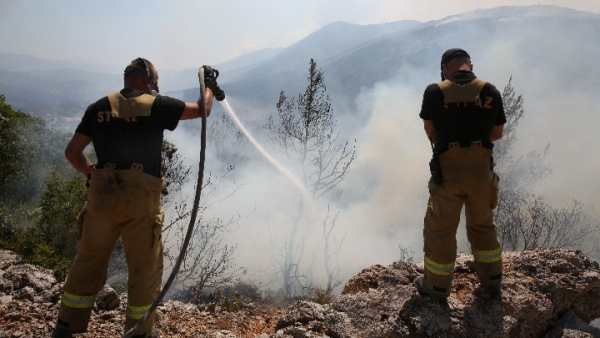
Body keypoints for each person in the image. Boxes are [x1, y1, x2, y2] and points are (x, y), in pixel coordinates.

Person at [52, 58, 218, 338]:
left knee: (87, 262)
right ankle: (139, 333)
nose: (156, 87)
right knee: (144, 270)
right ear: (146, 80)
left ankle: (66, 326)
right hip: (140, 203)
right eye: (155, 81)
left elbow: (72, 152)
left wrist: (91, 171)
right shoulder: (156, 105)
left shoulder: (99, 107)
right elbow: (204, 109)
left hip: (102, 200)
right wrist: (210, 86)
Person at [414, 48, 506, 302]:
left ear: (445, 68)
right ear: (470, 65)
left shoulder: (434, 92)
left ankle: (437, 287)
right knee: (483, 226)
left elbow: (429, 130)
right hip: (480, 172)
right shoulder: (490, 91)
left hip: (448, 173)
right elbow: (497, 133)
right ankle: (492, 281)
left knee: (440, 230)